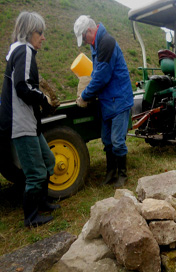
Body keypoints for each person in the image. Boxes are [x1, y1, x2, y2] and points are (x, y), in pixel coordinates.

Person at [0, 11, 60, 227]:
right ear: (29, 32)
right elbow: (22, 86)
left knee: (48, 161)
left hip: (29, 123)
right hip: (21, 124)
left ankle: (43, 202)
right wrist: (43, 98)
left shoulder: (22, 52)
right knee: (35, 173)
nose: (43, 37)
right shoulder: (24, 50)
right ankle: (31, 217)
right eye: (40, 33)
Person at [74, 15, 134, 188]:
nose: (85, 42)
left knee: (117, 141)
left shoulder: (106, 42)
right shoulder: (96, 43)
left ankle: (122, 174)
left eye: (84, 38)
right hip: (108, 100)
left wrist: (85, 95)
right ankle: (111, 172)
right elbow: (98, 73)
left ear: (91, 31)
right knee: (107, 140)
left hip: (119, 98)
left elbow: (102, 76)